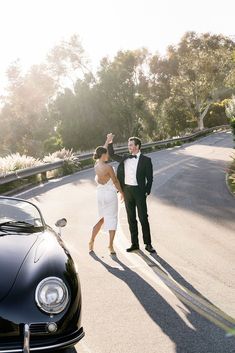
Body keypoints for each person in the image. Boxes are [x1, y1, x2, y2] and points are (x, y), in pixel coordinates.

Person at [106, 133, 156, 253]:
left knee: (143, 217)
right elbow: (112, 155)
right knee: (131, 218)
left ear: (137, 146)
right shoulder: (125, 158)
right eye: (128, 145)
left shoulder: (146, 160)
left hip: (139, 192)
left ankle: (148, 244)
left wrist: (146, 192)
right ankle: (134, 244)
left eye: (131, 145)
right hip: (127, 191)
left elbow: (150, 178)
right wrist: (110, 142)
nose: (129, 147)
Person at [89, 143, 124, 255]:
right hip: (109, 195)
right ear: (103, 155)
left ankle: (91, 241)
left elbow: (100, 151)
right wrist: (122, 193)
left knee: (102, 218)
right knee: (112, 219)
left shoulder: (96, 165)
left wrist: (108, 141)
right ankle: (110, 246)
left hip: (100, 194)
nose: (108, 154)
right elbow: (115, 181)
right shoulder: (108, 167)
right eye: (106, 153)